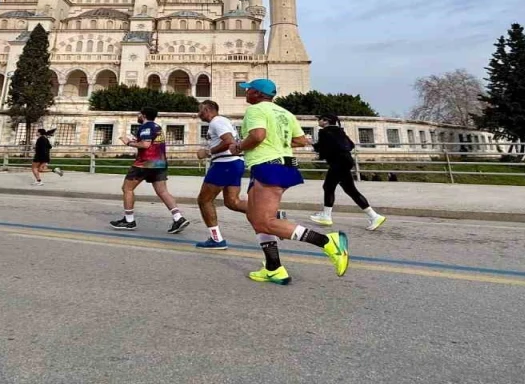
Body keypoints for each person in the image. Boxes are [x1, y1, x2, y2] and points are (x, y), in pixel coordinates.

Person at [231, 79, 348, 285]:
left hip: (268, 166)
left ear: (257, 94)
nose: (246, 92)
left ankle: (328, 241)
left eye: (248, 89)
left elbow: (257, 135)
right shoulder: (285, 113)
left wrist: (239, 146)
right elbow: (302, 140)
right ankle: (273, 268)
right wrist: (277, 143)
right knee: (254, 216)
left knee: (265, 221)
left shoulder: (256, 110)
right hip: (280, 165)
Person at [109, 107, 190, 234]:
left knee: (127, 189)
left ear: (144, 115)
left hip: (145, 164)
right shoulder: (157, 127)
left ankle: (129, 221)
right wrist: (136, 140)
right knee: (163, 192)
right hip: (160, 163)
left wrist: (128, 143)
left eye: (139, 114)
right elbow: (150, 142)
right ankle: (178, 218)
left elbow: (146, 145)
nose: (138, 116)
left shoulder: (145, 127)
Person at [310, 115, 386, 231]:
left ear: (326, 121)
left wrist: (311, 143)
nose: (318, 121)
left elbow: (323, 149)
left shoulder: (324, 132)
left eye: (320, 119)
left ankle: (326, 216)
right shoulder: (340, 131)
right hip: (346, 161)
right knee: (350, 190)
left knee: (328, 187)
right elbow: (351, 145)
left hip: (337, 163)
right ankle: (374, 216)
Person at [193, 100, 246, 250]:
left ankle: (216, 239)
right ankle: (271, 215)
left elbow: (228, 141)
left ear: (208, 110)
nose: (198, 114)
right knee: (232, 202)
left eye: (200, 110)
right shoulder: (223, 121)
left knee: (204, 200)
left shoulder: (217, 121)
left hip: (224, 164)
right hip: (235, 163)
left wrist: (208, 152)